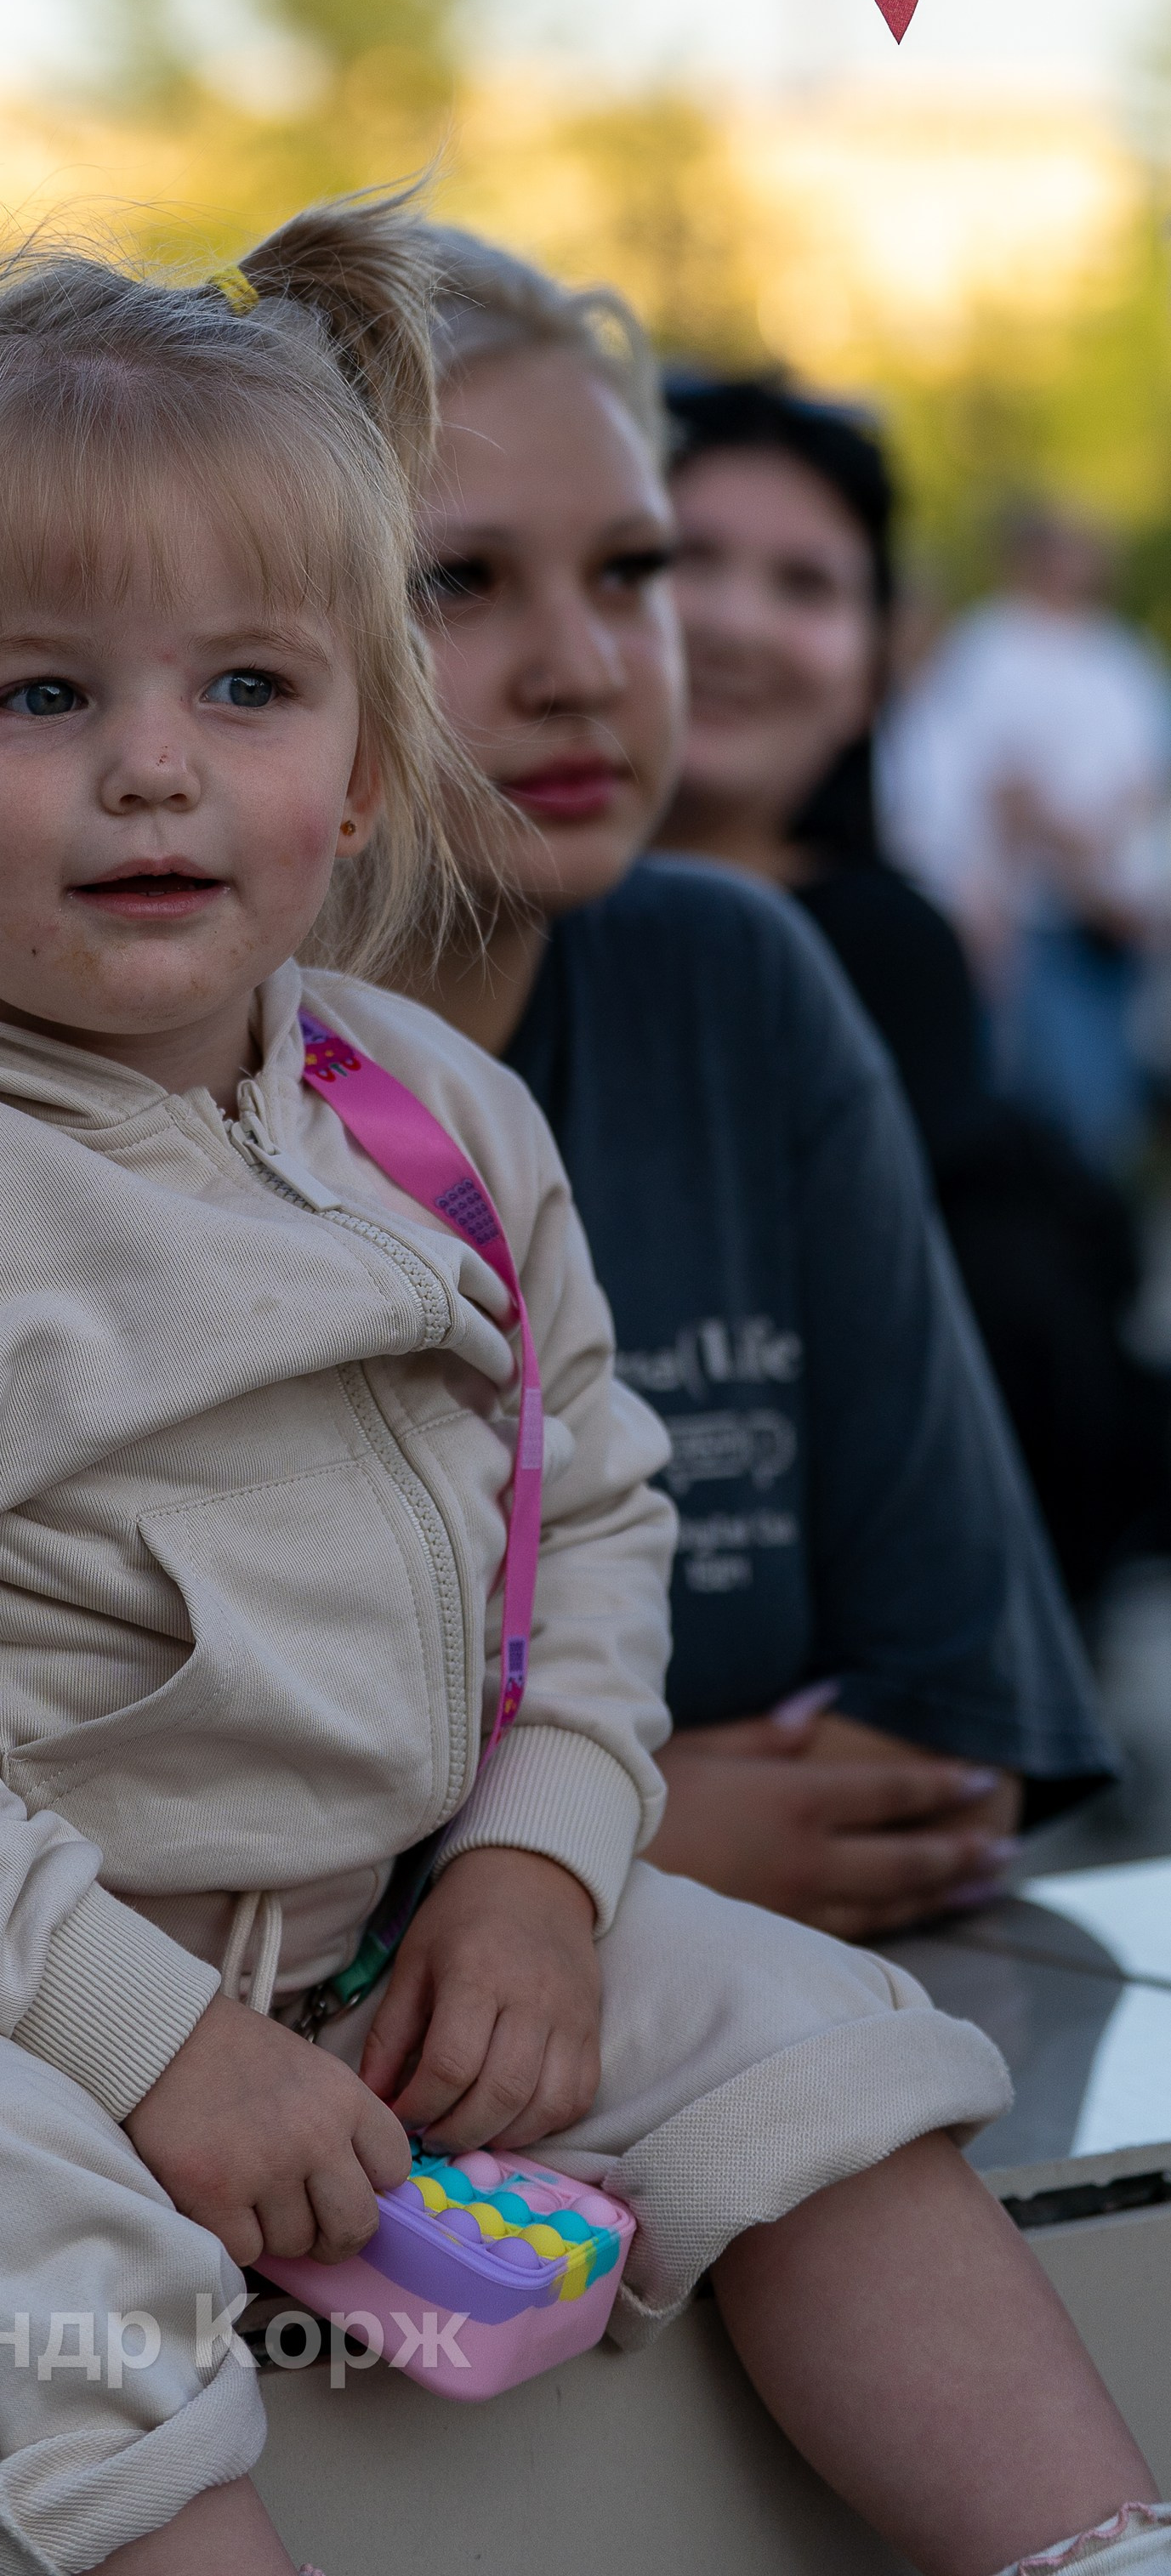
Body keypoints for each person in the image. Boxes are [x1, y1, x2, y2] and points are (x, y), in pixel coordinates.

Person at [0, 202, 1153, 2576]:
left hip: (372, 1926)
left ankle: (1086, 2539)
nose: (155, 777)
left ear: (369, 757)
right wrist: (147, 2044)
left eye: (246, 692)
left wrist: (535, 1861)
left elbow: (586, 1520)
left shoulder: (424, 1119)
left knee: (810, 2053)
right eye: (40, 699)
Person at [408, 230, 1114, 1949]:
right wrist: (610, 1839)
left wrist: (532, 1843)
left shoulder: (737, 973)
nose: (585, 662)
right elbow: (52, 1852)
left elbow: (964, 1737)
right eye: (461, 581)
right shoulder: (114, 1076)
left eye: (628, 566)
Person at [657, 374, 1168, 1606]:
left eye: (806, 585)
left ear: (874, 660)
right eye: (680, 560)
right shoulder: (428, 917)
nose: (732, 622)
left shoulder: (884, 953)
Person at [884, 504, 1171, 1177]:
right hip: (1035, 915)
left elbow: (1146, 771)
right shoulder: (990, 648)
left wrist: (1119, 860)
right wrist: (1076, 867)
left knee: (1110, 1101)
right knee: (1055, 1099)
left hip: (1124, 913)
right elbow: (986, 778)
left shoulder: (1117, 653)